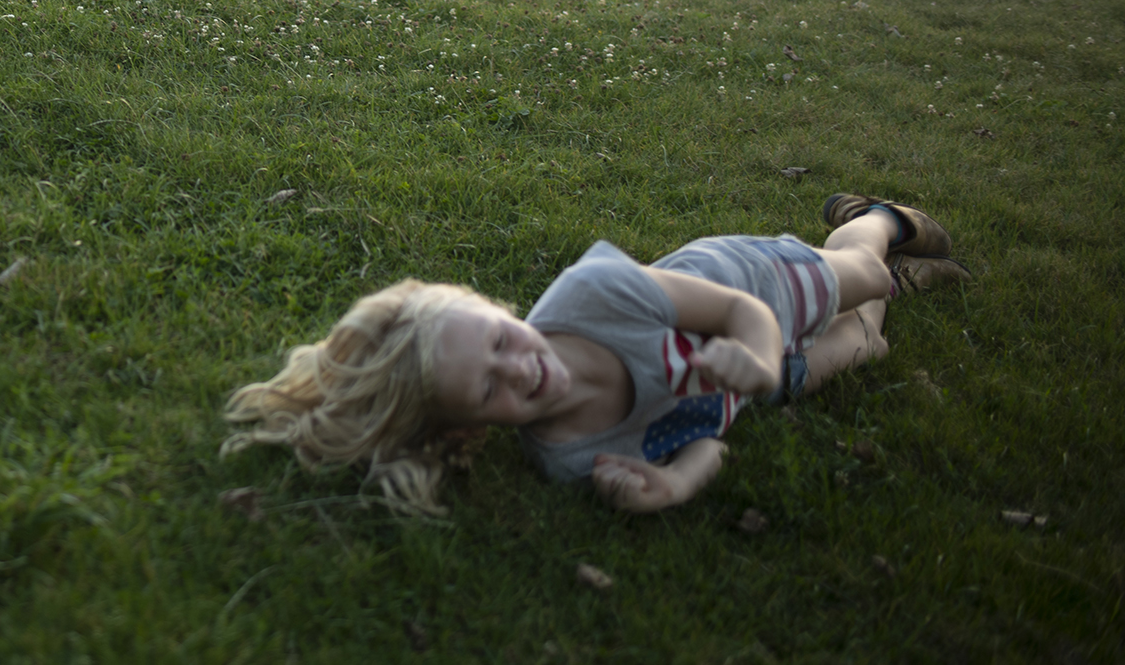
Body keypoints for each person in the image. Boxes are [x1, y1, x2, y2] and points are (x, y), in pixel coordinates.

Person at [220, 194, 972, 515]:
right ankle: (904, 286)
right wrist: (671, 484)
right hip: (749, 386)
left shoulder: (595, 292)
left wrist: (762, 352)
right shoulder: (570, 458)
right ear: (467, 427)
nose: (518, 367)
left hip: (749, 286)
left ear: (500, 309)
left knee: (861, 277)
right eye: (490, 390)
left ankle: (875, 220)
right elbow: (705, 443)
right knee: (867, 341)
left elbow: (739, 313)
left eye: (500, 342)